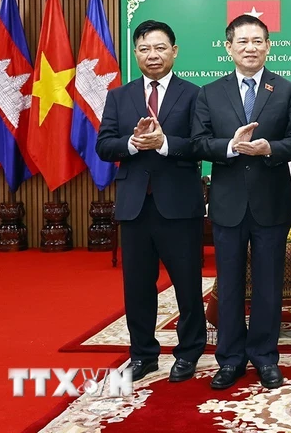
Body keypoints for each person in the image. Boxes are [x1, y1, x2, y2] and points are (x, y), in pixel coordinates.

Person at [191, 14, 291, 390]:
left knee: (269, 285)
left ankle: (265, 357)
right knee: (228, 285)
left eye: (258, 41)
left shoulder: (286, 90)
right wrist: (229, 146)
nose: (250, 48)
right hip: (227, 204)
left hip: (271, 202)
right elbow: (198, 143)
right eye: (242, 42)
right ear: (229, 48)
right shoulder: (209, 93)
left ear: (268, 46)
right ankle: (229, 359)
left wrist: (268, 148)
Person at [96, 19, 206, 384]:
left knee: (188, 285)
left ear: (174, 51)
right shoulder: (119, 96)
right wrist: (131, 144)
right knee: (138, 287)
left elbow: (199, 146)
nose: (152, 55)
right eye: (144, 49)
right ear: (136, 54)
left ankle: (188, 352)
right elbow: (104, 144)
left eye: (160, 48)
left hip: (179, 204)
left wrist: (163, 144)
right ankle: (143, 353)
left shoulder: (194, 95)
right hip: (135, 206)